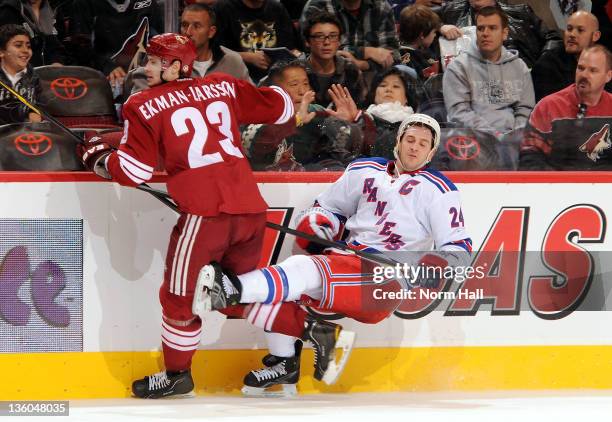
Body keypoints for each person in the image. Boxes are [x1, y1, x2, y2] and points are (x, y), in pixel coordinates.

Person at [77, 32, 299, 399]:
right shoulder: (223, 85)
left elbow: (133, 172)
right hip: (250, 210)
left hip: (204, 216)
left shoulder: (141, 104)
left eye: (153, 61)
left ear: (176, 65)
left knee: (178, 298)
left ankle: (178, 375)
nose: (145, 68)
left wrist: (100, 158)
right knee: (239, 293)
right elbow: (282, 107)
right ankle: (299, 337)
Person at [197, 113, 472, 396]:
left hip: (386, 278)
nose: (415, 147)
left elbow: (457, 248)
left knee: (298, 269)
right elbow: (328, 207)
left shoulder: (440, 190)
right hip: (347, 261)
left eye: (423, 144)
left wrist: (435, 268)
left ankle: (234, 288)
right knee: (276, 293)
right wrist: (320, 226)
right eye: (410, 139)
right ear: (398, 141)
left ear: (431, 151)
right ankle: (284, 362)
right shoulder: (364, 169)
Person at [242, 60, 362, 171]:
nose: (302, 91)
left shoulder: (316, 114)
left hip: (310, 187)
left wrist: (350, 124)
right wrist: (296, 120)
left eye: (305, 84)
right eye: (294, 84)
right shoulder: (255, 116)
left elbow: (346, 151)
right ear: (274, 90)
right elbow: (255, 146)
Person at [442, 5, 534, 134]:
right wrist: (494, 135)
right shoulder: (458, 68)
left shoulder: (519, 66)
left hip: (514, 140)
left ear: (505, 33)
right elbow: (458, 113)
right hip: (474, 140)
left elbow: (525, 109)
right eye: (480, 28)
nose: (485, 33)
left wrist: (515, 136)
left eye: (492, 28)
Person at [124, 3, 252, 95]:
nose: (188, 32)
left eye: (197, 26)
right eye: (184, 25)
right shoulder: (160, 57)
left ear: (211, 32)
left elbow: (252, 101)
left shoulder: (232, 61)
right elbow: (140, 100)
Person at [519, 45, 612, 170]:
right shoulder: (548, 106)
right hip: (557, 185)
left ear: (608, 76)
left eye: (593, 70)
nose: (584, 75)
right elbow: (530, 156)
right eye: (581, 68)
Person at [434, 0, 561, 69]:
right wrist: (440, 26)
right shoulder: (451, 12)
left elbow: (553, 39)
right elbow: (418, 19)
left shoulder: (521, 13)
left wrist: (540, 68)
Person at [327, 67, 417, 159]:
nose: (388, 89)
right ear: (374, 94)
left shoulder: (417, 124)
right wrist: (351, 124)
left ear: (407, 97)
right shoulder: (360, 118)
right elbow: (339, 154)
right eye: (383, 85)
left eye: (396, 86)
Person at [299, 0, 400, 73]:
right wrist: (366, 52)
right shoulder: (317, 6)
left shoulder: (381, 7)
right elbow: (316, 48)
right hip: (328, 72)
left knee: (404, 72)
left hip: (373, 75)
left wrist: (362, 65)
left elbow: (393, 55)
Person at [213, 0, 299, 83]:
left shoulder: (277, 8)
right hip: (237, 78)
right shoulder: (223, 9)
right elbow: (214, 51)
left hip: (276, 76)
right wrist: (247, 57)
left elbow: (289, 46)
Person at [531, 11, 604, 102]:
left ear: (595, 36)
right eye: (569, 29)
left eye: (580, 30)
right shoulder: (547, 64)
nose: (572, 34)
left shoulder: (605, 64)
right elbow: (549, 108)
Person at [300, 11, 366, 107]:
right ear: (307, 41)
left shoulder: (350, 70)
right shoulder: (296, 71)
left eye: (333, 36)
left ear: (339, 41)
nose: (327, 42)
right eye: (319, 36)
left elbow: (360, 109)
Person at [0, 0, 66, 66]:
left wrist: (57, 61)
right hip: (20, 71)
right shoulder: (8, 11)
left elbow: (56, 44)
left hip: (49, 71)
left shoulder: (54, 9)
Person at [0, 24, 42, 125]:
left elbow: (39, 104)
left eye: (28, 46)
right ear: (1, 52)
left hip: (24, 134)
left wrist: (34, 112)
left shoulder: (34, 78)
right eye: (18, 45)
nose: (25, 50)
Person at [398, 4, 442, 82]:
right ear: (422, 35)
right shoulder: (408, 61)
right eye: (434, 32)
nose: (435, 35)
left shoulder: (423, 48)